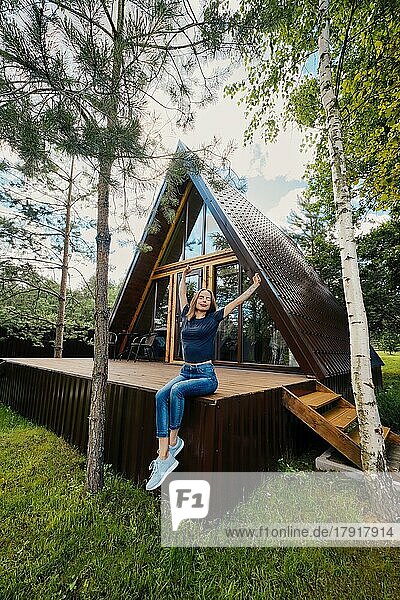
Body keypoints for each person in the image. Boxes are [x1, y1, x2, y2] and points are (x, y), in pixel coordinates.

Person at [146, 265, 262, 490]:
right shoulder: (186, 317)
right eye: (201, 296)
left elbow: (236, 302)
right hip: (185, 371)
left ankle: (171, 444)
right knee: (161, 395)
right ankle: (164, 456)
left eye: (208, 298)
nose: (204, 299)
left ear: (211, 304)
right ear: (196, 300)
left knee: (177, 391)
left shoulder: (214, 319)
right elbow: (181, 295)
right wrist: (183, 277)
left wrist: (254, 287)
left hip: (206, 376)